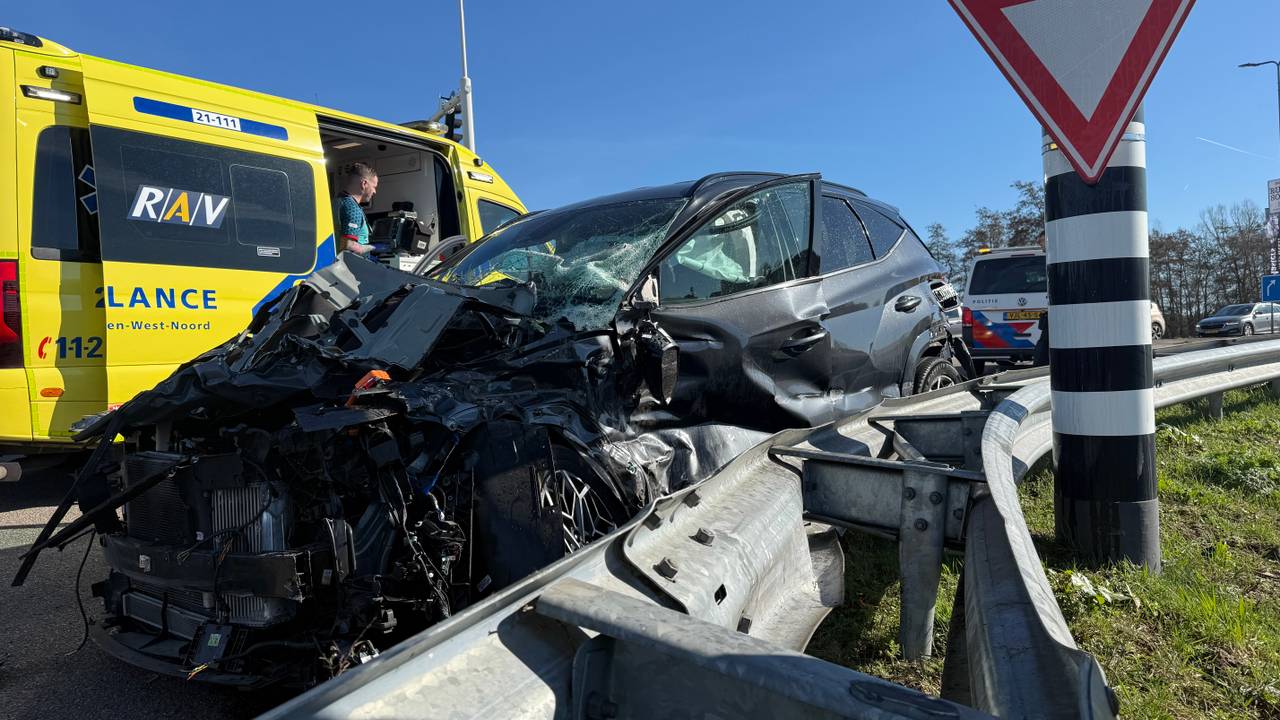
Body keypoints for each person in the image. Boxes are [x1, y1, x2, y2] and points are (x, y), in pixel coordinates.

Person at [335, 162, 379, 255]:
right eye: (374, 187)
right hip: (351, 266)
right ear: (364, 184)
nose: (374, 192)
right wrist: (373, 247)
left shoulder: (335, 201)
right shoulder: (352, 208)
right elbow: (347, 245)